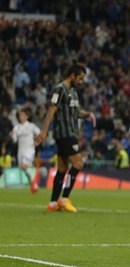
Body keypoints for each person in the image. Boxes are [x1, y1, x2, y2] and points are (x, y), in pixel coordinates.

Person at [35, 61, 96, 212]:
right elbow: (52, 109)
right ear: (72, 75)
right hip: (64, 133)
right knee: (78, 164)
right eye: (80, 78)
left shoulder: (73, 92)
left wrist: (87, 114)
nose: (81, 82)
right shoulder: (60, 89)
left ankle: (53, 203)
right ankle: (64, 199)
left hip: (71, 132)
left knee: (62, 168)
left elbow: (76, 112)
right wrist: (44, 130)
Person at [13, 108, 41, 193]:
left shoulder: (31, 126)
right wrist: (12, 136)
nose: (20, 117)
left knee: (24, 165)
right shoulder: (16, 127)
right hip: (20, 151)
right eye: (20, 115)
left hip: (29, 150)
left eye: (22, 115)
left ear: (27, 117)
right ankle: (33, 186)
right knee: (23, 167)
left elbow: (40, 133)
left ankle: (33, 184)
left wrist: (37, 142)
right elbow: (14, 140)